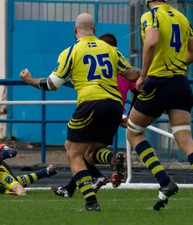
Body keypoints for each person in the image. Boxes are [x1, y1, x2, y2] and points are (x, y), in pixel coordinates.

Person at [20, 13, 141, 211]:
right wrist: (150, 72)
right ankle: (111, 158)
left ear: (75, 31)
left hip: (90, 104)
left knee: (73, 153)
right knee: (89, 153)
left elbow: (52, 84)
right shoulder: (110, 50)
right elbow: (131, 73)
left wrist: (29, 80)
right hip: (114, 106)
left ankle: (91, 202)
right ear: (94, 31)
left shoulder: (71, 51)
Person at [126, 0, 193, 215]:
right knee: (185, 140)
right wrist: (176, 63)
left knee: (133, 131)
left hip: (157, 84)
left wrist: (143, 76)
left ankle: (164, 181)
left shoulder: (150, 16)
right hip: (180, 84)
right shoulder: (181, 17)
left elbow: (151, 42)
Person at [51, 33, 138, 198]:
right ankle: (100, 169)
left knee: (74, 150)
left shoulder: (95, 62)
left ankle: (93, 184)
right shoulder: (123, 67)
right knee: (87, 153)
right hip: (115, 111)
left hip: (94, 106)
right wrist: (131, 115)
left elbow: (58, 81)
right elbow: (138, 90)